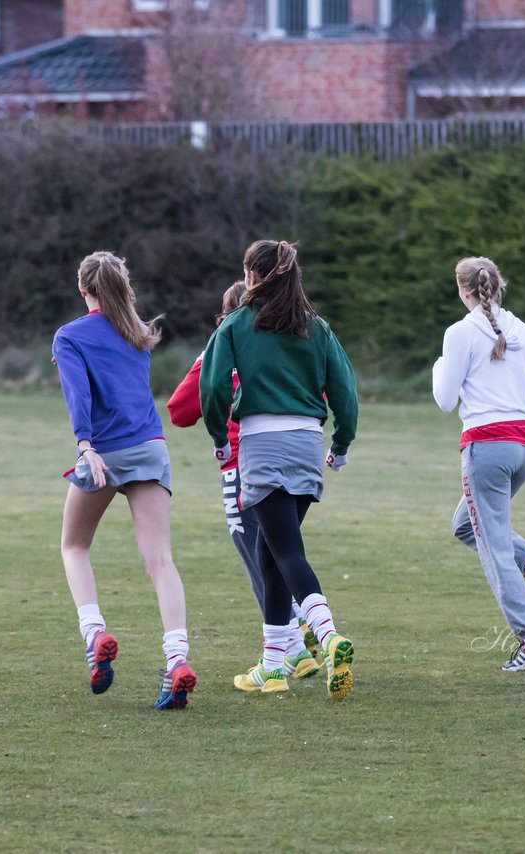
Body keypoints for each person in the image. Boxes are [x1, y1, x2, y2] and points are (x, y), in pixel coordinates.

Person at [199, 240, 358, 700]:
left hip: (262, 446)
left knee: (286, 552)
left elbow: (212, 388)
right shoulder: (318, 327)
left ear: (253, 275)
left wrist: (217, 435)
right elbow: (345, 391)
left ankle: (330, 639)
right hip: (308, 444)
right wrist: (342, 443)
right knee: (270, 554)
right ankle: (271, 666)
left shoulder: (235, 324)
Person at [52, 252, 196, 710]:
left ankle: (94, 636)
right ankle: (177, 661)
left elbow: (79, 397)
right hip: (151, 448)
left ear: (83, 290)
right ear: (122, 286)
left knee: (74, 546)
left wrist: (84, 446)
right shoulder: (138, 333)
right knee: (161, 562)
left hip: (104, 453)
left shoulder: (69, 336)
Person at [166, 282, 321, 687]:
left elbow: (180, 411)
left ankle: (297, 635)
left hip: (242, 466)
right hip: (297, 456)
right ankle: (297, 650)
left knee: (261, 561)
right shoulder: (286, 345)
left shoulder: (222, 347)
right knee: (277, 551)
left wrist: (205, 362)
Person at [433, 257, 525, 672]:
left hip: (486, 449)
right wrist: (524, 421)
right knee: (465, 525)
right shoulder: (523, 329)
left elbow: (443, 400)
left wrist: (438, 366)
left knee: (492, 548)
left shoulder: (459, 333)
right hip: (523, 449)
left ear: (464, 290)